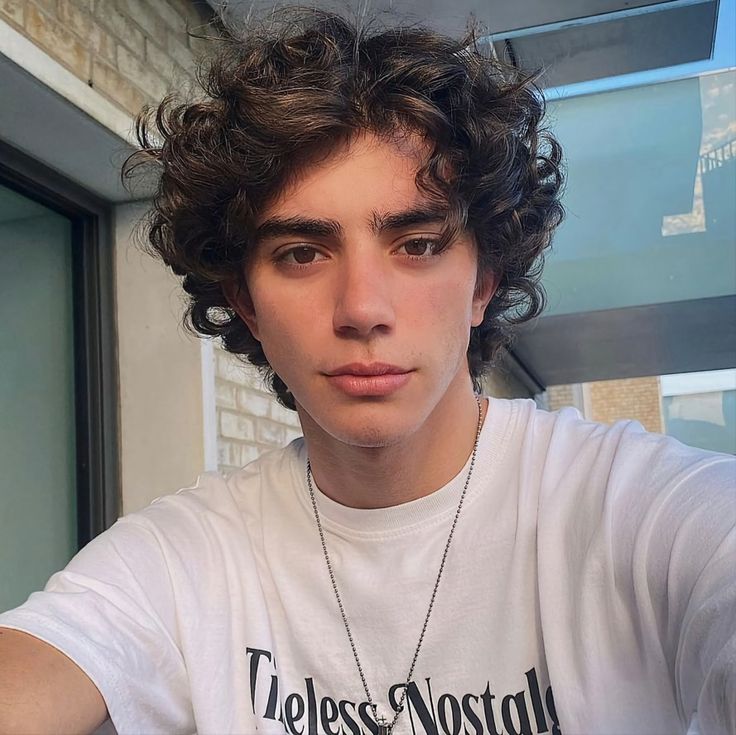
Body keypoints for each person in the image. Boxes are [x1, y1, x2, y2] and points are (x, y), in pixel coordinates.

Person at [1, 9, 734, 735]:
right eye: (301, 253)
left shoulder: (636, 511)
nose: (362, 307)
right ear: (247, 304)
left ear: (483, 282)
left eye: (415, 244)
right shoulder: (184, 558)